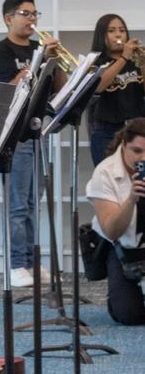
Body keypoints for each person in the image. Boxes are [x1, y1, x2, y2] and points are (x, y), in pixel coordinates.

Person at [0, 0, 58, 288]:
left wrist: (53, 60)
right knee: (18, 205)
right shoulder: (0, 50)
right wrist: (38, 58)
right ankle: (16, 264)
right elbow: (10, 87)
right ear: (9, 18)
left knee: (34, 203)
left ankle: (31, 262)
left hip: (39, 129)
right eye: (25, 13)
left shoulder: (38, 47)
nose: (31, 19)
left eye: (34, 13)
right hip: (15, 134)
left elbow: (61, 86)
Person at [86, 118, 145, 325]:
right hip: (120, 247)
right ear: (124, 145)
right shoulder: (105, 172)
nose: (143, 158)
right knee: (129, 315)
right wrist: (132, 199)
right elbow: (112, 230)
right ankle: (119, 295)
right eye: (136, 151)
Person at [89, 14, 145, 166]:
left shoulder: (136, 59)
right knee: (108, 179)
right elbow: (98, 86)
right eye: (112, 30)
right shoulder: (96, 62)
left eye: (122, 30)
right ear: (102, 36)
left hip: (138, 130)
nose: (118, 34)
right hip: (107, 131)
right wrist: (124, 58)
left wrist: (143, 64)